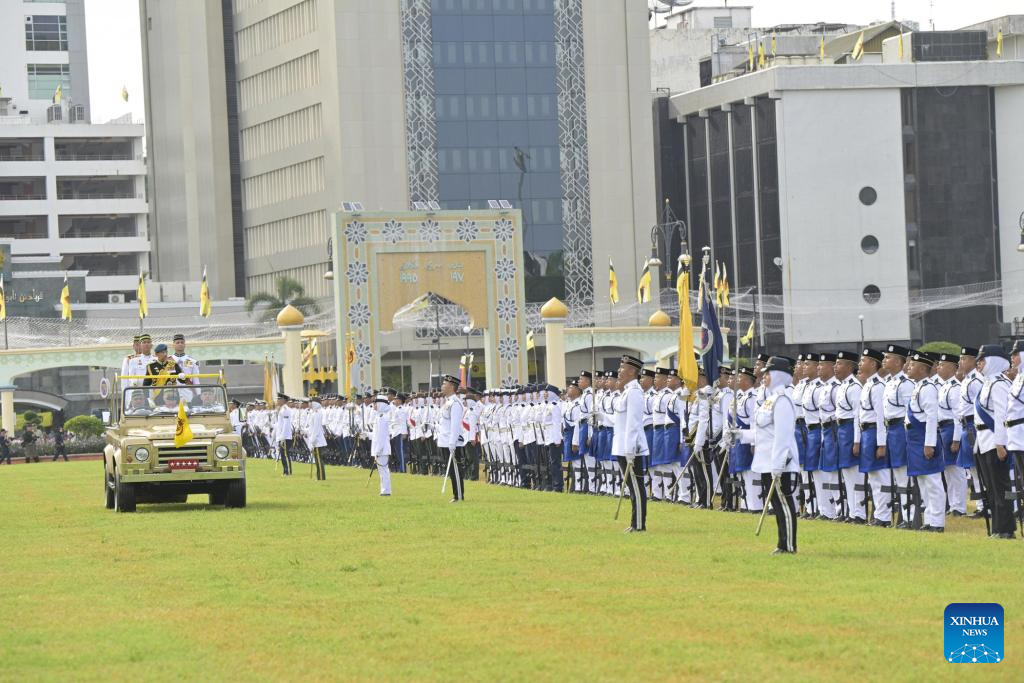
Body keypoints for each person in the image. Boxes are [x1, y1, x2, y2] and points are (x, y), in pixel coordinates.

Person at [738, 356, 800, 554]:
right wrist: (740, 435)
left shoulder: (782, 400)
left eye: (768, 373)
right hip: (766, 461)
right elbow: (763, 433)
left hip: (778, 463)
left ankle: (788, 545)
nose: (764, 377)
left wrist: (778, 464)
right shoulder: (770, 400)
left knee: (783, 504)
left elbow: (783, 436)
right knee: (777, 504)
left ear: (778, 375)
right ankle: (782, 543)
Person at [975, 344, 1014, 538]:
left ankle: (1006, 529)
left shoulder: (999, 384)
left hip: (994, 441)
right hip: (984, 441)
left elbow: (1001, 416)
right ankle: (998, 528)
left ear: (994, 361)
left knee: (1001, 487)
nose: (978, 364)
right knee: (991, 488)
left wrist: (1000, 443)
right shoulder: (988, 382)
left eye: (982, 360)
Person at [904, 351, 943, 532]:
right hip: (914, 438)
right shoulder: (918, 386)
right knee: (923, 481)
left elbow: (931, 418)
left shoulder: (928, 388)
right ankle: (929, 519)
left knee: (933, 481)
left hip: (923, 438)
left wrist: (929, 444)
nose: (909, 367)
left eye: (913, 365)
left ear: (922, 369)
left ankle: (937, 522)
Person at [613, 354, 649, 533]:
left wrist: (630, 450)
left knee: (636, 487)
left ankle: (639, 525)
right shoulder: (627, 391)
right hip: (622, 446)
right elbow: (620, 421)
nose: (619, 371)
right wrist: (601, 417)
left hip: (631, 448)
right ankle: (635, 523)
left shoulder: (634, 392)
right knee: (631, 487)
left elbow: (633, 423)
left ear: (632, 371)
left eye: (623, 368)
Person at [437, 374, 466, 501]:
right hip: (444, 440)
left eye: (445, 384)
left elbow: (455, 425)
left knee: (455, 470)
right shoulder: (448, 402)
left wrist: (452, 442)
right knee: (451, 471)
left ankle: (458, 495)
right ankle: (456, 494)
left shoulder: (455, 403)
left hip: (451, 442)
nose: (442, 386)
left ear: (451, 387)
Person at [370, 395, 392, 494]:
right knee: (381, 470)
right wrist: (366, 434)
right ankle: (384, 490)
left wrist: (378, 450)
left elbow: (382, 436)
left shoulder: (382, 418)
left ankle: (386, 490)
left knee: (383, 470)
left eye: (375, 403)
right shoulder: (379, 417)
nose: (374, 405)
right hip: (379, 448)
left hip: (382, 448)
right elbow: (376, 434)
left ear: (380, 404)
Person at [307, 400, 328, 481]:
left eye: (311, 402)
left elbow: (316, 429)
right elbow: (311, 428)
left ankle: (321, 477)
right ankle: (319, 477)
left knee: (319, 460)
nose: (310, 404)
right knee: (317, 460)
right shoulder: (314, 413)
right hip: (316, 439)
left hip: (317, 441)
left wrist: (312, 441)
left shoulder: (317, 414)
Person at [275, 393, 294, 476]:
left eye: (279, 399)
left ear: (283, 400)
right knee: (283, 455)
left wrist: (282, 437)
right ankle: (285, 471)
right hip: (282, 436)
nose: (277, 400)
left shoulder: (285, 410)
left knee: (285, 454)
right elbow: (280, 424)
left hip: (285, 436)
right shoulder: (282, 409)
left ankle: (287, 471)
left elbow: (286, 424)